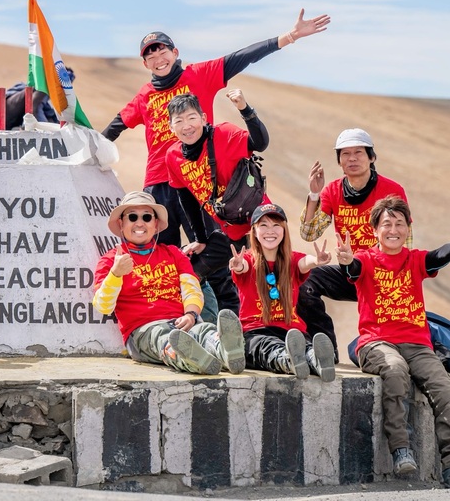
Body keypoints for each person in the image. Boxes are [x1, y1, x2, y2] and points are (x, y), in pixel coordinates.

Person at [101, 10, 330, 251]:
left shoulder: (199, 74)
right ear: (145, 63)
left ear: (175, 53)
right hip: (158, 183)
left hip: (198, 180)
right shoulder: (144, 95)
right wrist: (91, 151)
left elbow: (243, 57)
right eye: (151, 55)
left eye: (162, 51)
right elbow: (116, 126)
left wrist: (290, 36)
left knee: (210, 250)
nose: (158, 58)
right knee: (161, 252)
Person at [336, 195, 450, 489]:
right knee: (395, 370)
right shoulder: (365, 259)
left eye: (399, 223)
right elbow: (354, 271)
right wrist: (347, 261)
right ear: (375, 229)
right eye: (387, 223)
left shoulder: (414, 260)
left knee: (446, 392)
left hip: (418, 345)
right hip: (377, 343)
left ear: (407, 228)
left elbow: (437, 256)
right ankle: (401, 449)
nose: (393, 229)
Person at [92, 191, 245, 375]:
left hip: (182, 322)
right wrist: (116, 274)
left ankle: (226, 353)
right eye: (132, 217)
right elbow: (103, 306)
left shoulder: (173, 253)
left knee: (205, 330)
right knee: (163, 339)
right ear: (121, 223)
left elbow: (191, 288)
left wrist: (191, 314)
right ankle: (192, 361)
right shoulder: (109, 261)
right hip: (143, 331)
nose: (139, 223)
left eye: (147, 217)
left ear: (155, 224)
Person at [297, 128, 410, 360]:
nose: (352, 158)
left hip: (383, 274)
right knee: (305, 282)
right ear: (339, 161)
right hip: (350, 269)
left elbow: (404, 239)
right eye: (345, 154)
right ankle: (325, 351)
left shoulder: (392, 190)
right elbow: (309, 233)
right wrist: (314, 194)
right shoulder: (333, 190)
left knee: (383, 343)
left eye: (359, 152)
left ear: (371, 157)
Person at [163, 89, 270, 315]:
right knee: (189, 273)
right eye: (179, 121)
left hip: (262, 224)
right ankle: (205, 329)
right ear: (171, 127)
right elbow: (186, 199)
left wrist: (244, 108)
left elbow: (260, 143)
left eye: (192, 118)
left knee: (269, 285)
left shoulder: (224, 134)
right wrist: (200, 239)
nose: (186, 126)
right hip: (229, 232)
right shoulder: (173, 156)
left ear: (203, 118)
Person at [228, 203, 336, 381]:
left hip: (292, 332)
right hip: (257, 331)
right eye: (263, 225)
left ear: (284, 230)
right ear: (254, 231)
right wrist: (238, 266)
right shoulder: (247, 259)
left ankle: (318, 360)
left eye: (276, 225)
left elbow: (305, 263)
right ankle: (289, 361)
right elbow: (242, 268)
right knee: (269, 348)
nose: (270, 231)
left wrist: (317, 260)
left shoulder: (292, 260)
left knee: (305, 347)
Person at [3, 66, 74, 128]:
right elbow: (34, 104)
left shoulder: (48, 100)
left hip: (9, 120)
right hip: (7, 113)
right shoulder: (45, 87)